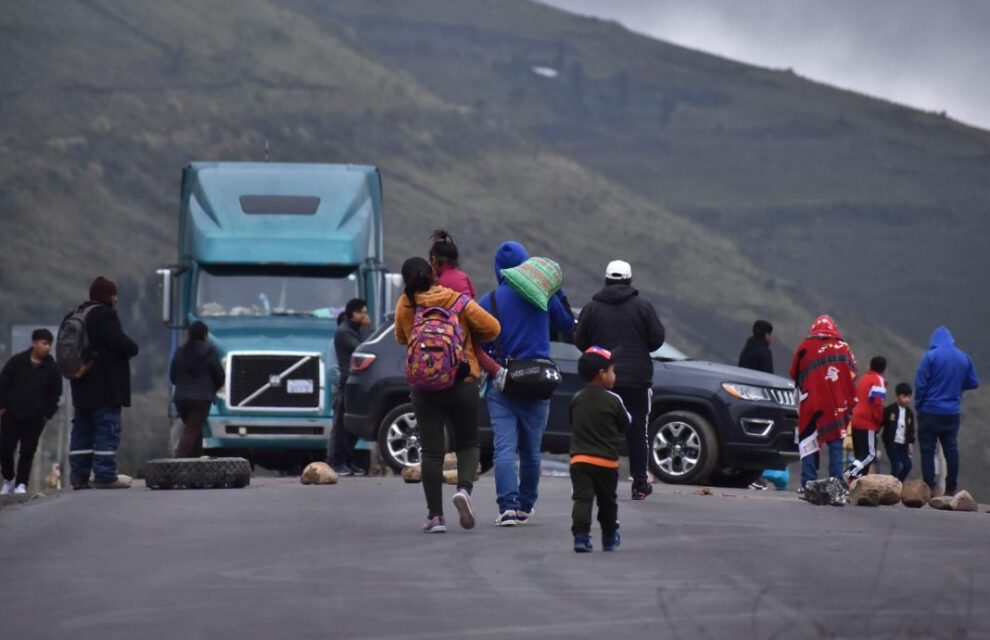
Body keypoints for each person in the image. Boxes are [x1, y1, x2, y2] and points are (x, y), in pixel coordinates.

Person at [395, 257, 500, 533]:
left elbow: (401, 337)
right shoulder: (458, 300)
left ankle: (436, 516)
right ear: (434, 274)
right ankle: (463, 491)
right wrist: (465, 336)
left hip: (423, 387)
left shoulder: (406, 303)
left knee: (432, 452)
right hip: (462, 381)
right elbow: (493, 328)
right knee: (467, 441)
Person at [479, 241, 575, 525]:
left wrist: (495, 369)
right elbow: (567, 324)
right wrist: (554, 286)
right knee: (531, 450)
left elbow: (478, 343)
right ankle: (525, 505)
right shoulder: (541, 296)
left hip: (504, 382)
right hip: (538, 381)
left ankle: (506, 508)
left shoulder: (491, 300)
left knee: (504, 448)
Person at [575, 259, 665, 501]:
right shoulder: (643, 307)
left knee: (602, 431)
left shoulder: (592, 308)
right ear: (629, 281)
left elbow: (580, 341)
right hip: (637, 379)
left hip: (602, 377)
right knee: (637, 432)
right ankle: (639, 484)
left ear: (606, 280)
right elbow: (657, 340)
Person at [67, 277, 139, 490]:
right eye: (114, 294)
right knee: (107, 429)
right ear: (108, 296)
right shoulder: (104, 315)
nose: (116, 299)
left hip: (81, 384)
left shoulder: (76, 314)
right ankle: (105, 474)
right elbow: (117, 340)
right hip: (105, 386)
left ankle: (78, 476)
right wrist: (133, 348)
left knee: (82, 430)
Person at [569, 346, 630, 553]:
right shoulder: (614, 400)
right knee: (607, 501)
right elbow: (626, 423)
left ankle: (581, 537)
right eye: (613, 371)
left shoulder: (576, 398)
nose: (615, 376)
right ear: (602, 374)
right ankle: (609, 536)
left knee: (582, 499)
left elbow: (572, 422)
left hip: (580, 460)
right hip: (606, 462)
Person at [789, 315, 857, 494]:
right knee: (835, 443)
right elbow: (853, 374)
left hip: (812, 402)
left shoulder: (805, 347)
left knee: (809, 440)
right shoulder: (844, 348)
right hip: (836, 403)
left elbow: (794, 373)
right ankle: (835, 484)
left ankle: (807, 482)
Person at [914, 326, 979, 496]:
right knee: (951, 449)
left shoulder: (930, 357)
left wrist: (919, 406)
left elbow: (920, 385)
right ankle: (951, 487)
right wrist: (956, 387)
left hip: (929, 411)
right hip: (952, 413)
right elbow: (973, 382)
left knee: (928, 449)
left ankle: (928, 485)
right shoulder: (964, 357)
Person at [0, 329, 62, 495]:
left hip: (35, 417)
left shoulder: (51, 368)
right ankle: (8, 479)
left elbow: (55, 393)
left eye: (49, 344)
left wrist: (46, 414)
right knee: (5, 449)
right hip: (11, 414)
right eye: (43, 343)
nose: (47, 347)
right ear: (34, 343)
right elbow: (3, 383)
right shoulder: (17, 362)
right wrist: (3, 406)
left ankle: (21, 483)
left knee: (27, 451)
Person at [169, 321, 224, 458]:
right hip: (201, 398)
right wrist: (212, 389)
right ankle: (176, 464)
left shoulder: (181, 351)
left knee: (194, 430)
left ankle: (194, 464)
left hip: (181, 399)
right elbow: (219, 375)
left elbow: (173, 376)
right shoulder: (209, 350)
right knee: (191, 432)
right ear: (205, 335)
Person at [329, 299, 371, 476]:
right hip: (346, 384)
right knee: (340, 426)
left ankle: (348, 460)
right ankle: (336, 462)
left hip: (355, 384)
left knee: (352, 427)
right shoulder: (344, 332)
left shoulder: (356, 330)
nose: (366, 316)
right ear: (354, 314)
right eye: (363, 312)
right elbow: (361, 349)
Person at [844, 356, 886, 481]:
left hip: (856, 420)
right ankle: (848, 474)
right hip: (868, 422)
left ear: (870, 365)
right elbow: (878, 404)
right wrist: (879, 422)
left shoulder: (863, 379)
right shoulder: (878, 380)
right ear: (884, 369)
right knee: (869, 454)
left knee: (860, 456)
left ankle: (857, 482)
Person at [881, 382, 915, 482]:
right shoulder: (890, 409)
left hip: (903, 444)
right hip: (892, 443)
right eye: (904, 397)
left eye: (909, 397)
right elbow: (882, 422)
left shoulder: (909, 413)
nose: (907, 400)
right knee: (896, 466)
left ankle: (898, 484)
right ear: (897, 396)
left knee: (908, 465)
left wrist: (910, 444)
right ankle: (890, 486)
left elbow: (911, 430)